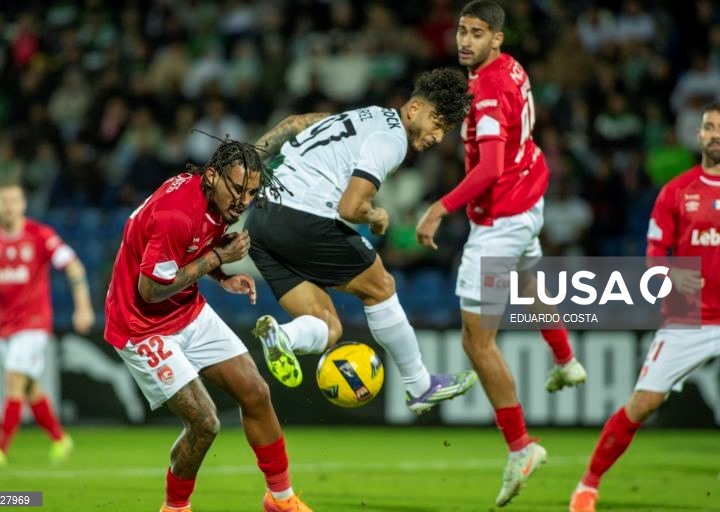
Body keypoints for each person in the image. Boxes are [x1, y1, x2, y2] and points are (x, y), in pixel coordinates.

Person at [414, 1, 587, 506]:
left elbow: (489, 167)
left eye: (477, 33)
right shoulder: (510, 69)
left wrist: (438, 208)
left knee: (477, 341)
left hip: (501, 220)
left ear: (498, 39)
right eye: (462, 31)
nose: (465, 41)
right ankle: (565, 359)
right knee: (529, 282)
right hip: (530, 196)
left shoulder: (487, 89)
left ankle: (521, 447)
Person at [245, 67, 478, 414]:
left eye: (445, 130)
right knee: (381, 286)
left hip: (260, 222)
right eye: (437, 123)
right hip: (301, 215)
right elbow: (351, 207)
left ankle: (281, 336)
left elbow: (295, 122)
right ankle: (419, 385)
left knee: (328, 327)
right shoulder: (392, 140)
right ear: (414, 109)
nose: (438, 137)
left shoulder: (365, 115)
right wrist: (376, 215)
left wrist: (247, 159)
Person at [103, 139, 311, 512]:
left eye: (251, 192)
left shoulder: (215, 197)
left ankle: (280, 499)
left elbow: (193, 246)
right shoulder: (176, 214)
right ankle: (175, 508)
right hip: (142, 325)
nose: (243, 201)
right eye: (237, 189)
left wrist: (221, 274)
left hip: (187, 309)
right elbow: (150, 290)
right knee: (205, 423)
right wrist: (219, 255)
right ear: (212, 176)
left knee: (255, 391)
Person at [569, 103, 720, 512]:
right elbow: (654, 253)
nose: (715, 134)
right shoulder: (677, 191)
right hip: (690, 316)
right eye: (709, 128)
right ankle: (588, 484)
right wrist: (672, 273)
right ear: (699, 136)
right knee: (643, 404)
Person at [0, 181, 93, 466]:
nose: (8, 206)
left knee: (13, 380)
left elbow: (74, 266)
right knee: (30, 386)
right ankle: (60, 439)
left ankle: (0, 449)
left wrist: (83, 307)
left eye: (13, 200)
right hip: (4, 325)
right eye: (3, 200)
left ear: (23, 204)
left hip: (34, 323)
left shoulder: (40, 235)